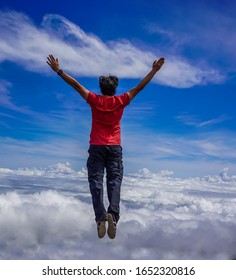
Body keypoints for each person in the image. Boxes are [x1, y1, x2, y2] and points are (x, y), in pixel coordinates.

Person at [46, 54, 165, 239]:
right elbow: (140, 87)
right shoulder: (121, 100)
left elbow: (76, 85)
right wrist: (154, 70)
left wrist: (58, 71)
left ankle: (101, 217)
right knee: (114, 181)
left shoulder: (94, 100)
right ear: (115, 88)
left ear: (101, 88)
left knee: (95, 182)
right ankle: (113, 215)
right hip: (114, 147)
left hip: (96, 148)